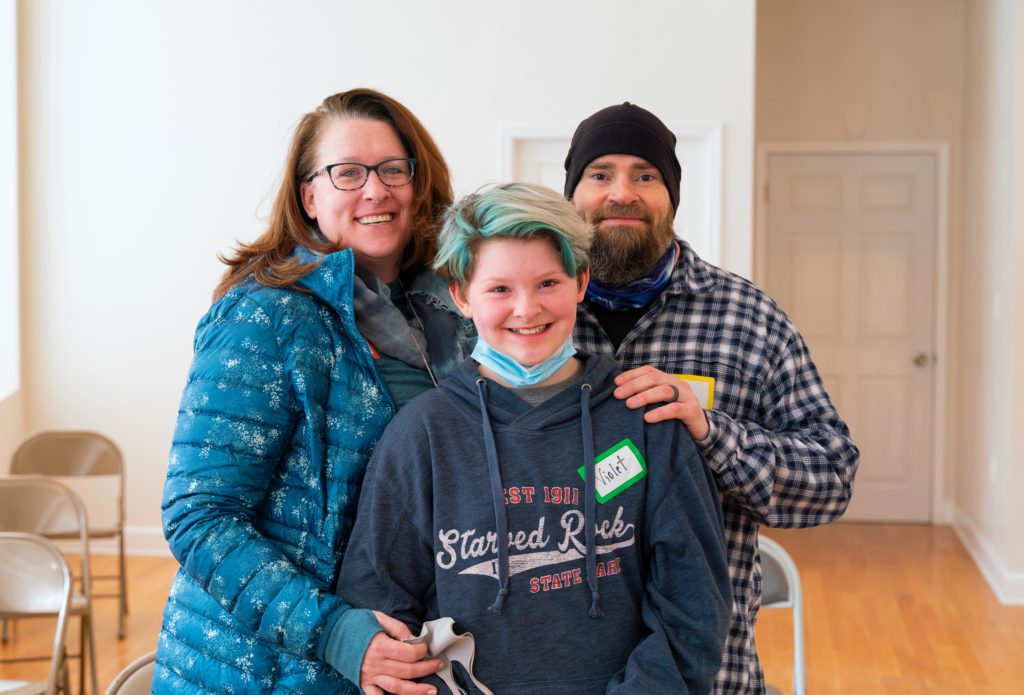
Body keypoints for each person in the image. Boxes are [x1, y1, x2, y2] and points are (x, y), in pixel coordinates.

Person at [338, 183, 732, 694]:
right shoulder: (422, 434)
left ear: (581, 281)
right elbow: (378, 604)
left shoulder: (645, 419)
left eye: (548, 283)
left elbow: (694, 608)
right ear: (461, 295)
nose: (527, 310)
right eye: (500, 289)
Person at [155, 88, 475, 695]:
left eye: (392, 170)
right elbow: (198, 515)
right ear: (310, 196)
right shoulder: (266, 316)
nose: (374, 190)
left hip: (399, 657)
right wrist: (336, 634)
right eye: (347, 173)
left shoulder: (450, 314)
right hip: (267, 670)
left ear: (418, 182)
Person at [563, 103, 860, 694]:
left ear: (672, 196)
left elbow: (832, 477)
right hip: (563, 666)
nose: (622, 193)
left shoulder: (750, 319)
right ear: (571, 193)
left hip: (712, 674)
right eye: (600, 175)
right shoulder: (529, 319)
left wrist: (710, 432)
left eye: (645, 176)